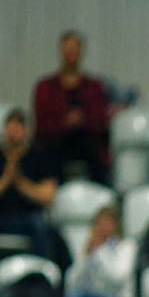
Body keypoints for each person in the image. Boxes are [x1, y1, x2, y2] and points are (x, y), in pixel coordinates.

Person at [0, 109, 61, 263]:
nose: (13, 133)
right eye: (10, 127)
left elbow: (48, 196)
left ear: (26, 131)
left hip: (28, 216)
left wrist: (19, 181)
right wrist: (6, 179)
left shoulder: (41, 157)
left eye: (18, 128)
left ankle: (43, 273)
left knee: (44, 227)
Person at [32, 31, 110, 184]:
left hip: (87, 141)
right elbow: (41, 121)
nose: (70, 54)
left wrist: (82, 120)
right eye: (67, 50)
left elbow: (101, 120)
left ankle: (100, 197)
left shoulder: (94, 87)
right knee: (48, 151)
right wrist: (64, 122)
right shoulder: (46, 87)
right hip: (55, 141)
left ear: (81, 52)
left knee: (95, 150)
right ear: (61, 52)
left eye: (74, 50)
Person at [56, 205, 135, 297]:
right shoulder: (91, 246)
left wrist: (100, 253)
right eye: (100, 222)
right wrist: (85, 257)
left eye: (108, 222)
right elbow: (72, 281)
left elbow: (117, 279)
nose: (103, 227)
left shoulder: (126, 247)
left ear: (116, 225)